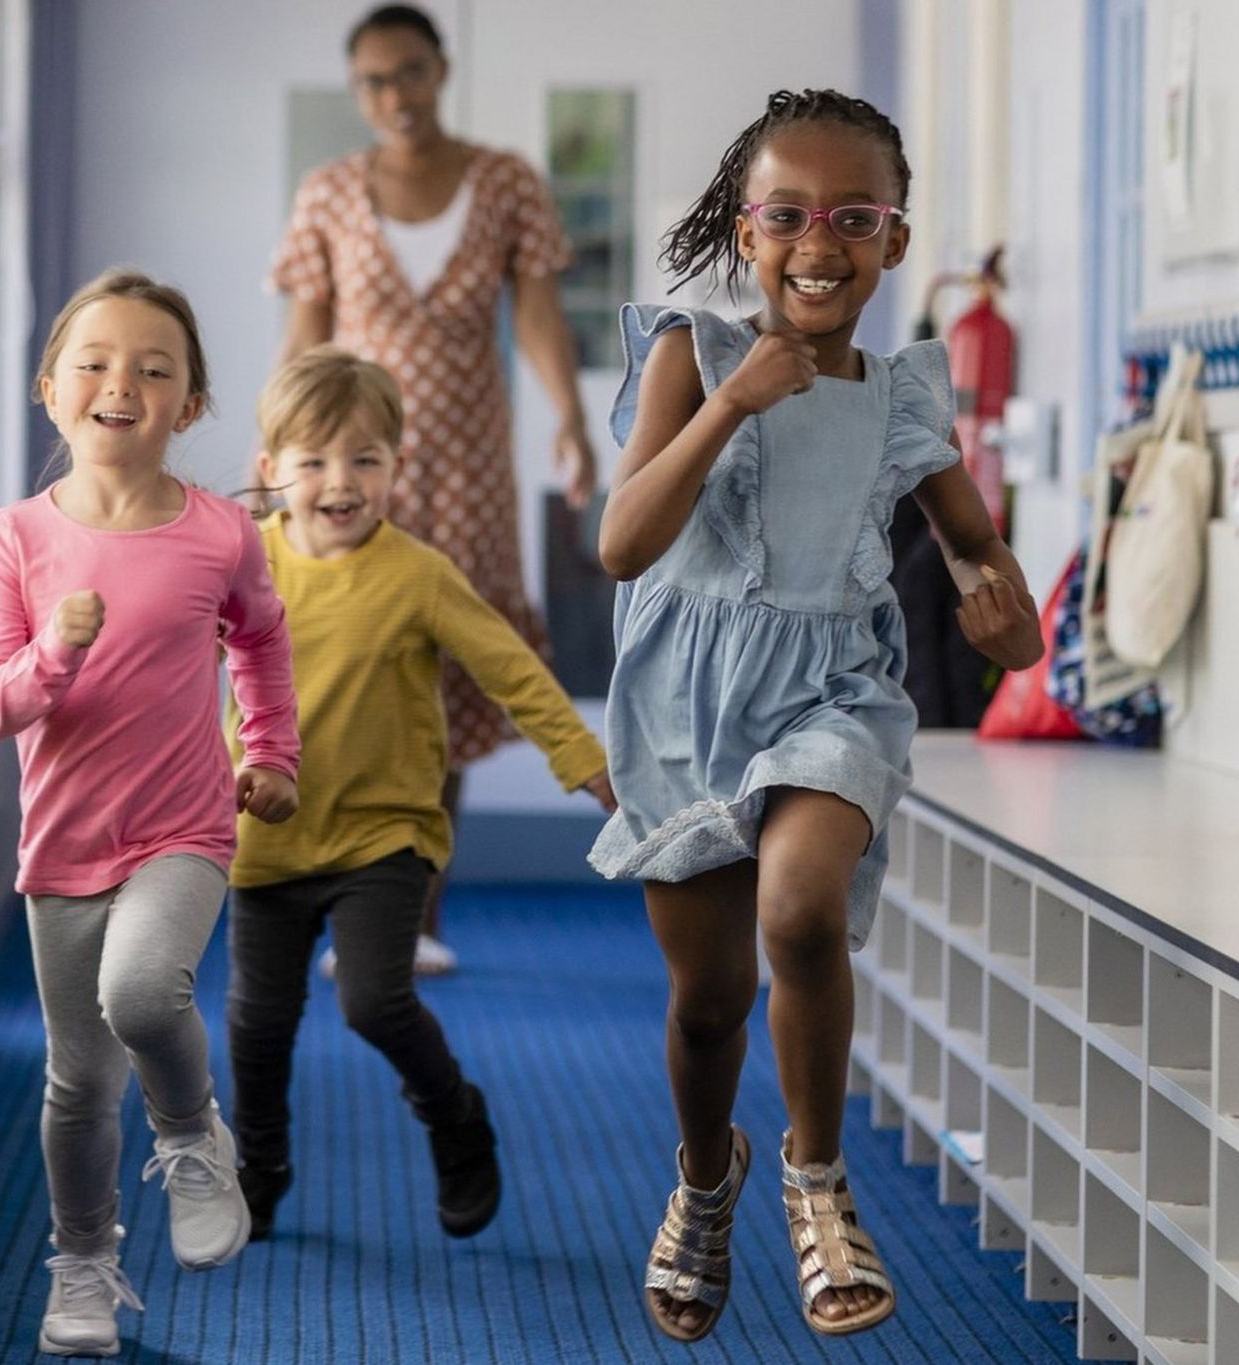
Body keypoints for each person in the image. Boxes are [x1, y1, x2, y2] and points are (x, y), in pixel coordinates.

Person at [589, 90, 1044, 1341]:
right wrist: (735, 402)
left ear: (892, 240)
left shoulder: (900, 397)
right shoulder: (693, 348)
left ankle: (814, 1177)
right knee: (706, 1004)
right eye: (785, 215)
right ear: (746, 235)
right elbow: (623, 546)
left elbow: (972, 551)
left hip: (833, 688)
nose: (817, 243)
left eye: (853, 217)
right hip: (687, 697)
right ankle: (703, 1178)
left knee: (798, 913)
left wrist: (995, 610)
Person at [0, 269, 301, 1358]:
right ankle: (86, 1267)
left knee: (144, 995)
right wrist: (53, 651)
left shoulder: (217, 536)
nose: (123, 385)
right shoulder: (12, 540)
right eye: (96, 364)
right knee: (76, 1084)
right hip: (62, 847)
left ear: (188, 406)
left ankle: (194, 1137)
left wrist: (272, 753)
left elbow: (259, 641)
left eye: (155, 371)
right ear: (48, 390)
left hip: (184, 830)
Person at [224, 346, 615, 1244]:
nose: (341, 480)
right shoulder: (243, 570)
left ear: (398, 468)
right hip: (264, 838)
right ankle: (260, 1164)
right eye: (315, 459)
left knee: (373, 1001)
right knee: (256, 1023)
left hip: (383, 837)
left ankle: (455, 1116)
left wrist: (582, 758)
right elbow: (169, 675)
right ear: (271, 469)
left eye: (366, 459)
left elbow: (512, 668)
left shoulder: (416, 574)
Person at [269, 3, 597, 975]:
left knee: (447, 678)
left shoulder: (504, 182)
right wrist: (269, 444)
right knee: (342, 665)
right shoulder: (327, 193)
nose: (393, 96)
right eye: (372, 81)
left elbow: (537, 315)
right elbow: (304, 335)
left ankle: (414, 918)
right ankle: (336, 898)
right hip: (344, 467)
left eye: (408, 72)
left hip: (465, 468)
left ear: (440, 69)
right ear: (356, 92)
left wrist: (571, 422)